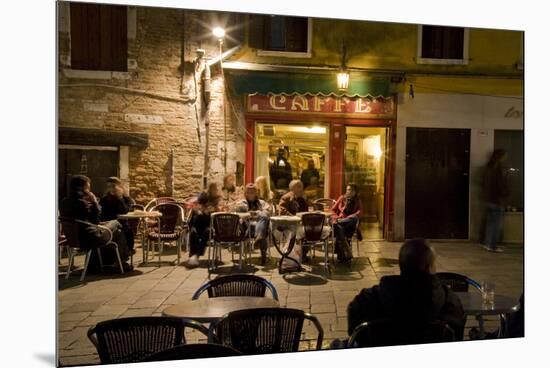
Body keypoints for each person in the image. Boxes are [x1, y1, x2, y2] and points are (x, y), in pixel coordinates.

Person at [347, 239, 466, 341]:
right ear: (429, 268)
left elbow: (354, 328)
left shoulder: (370, 298)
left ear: (401, 265)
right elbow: (456, 333)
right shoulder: (448, 301)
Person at [59, 175, 132, 272]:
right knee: (116, 224)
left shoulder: (64, 202)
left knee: (118, 231)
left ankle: (101, 263)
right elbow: (95, 221)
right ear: (83, 188)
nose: (89, 189)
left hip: (75, 238)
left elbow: (87, 221)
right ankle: (122, 262)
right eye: (88, 187)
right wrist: (94, 202)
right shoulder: (82, 203)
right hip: (90, 238)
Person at [186, 182, 224, 267]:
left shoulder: (218, 199)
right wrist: (202, 210)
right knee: (193, 232)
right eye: (213, 188)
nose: (215, 190)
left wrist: (215, 209)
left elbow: (221, 209)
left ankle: (196, 255)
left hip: (212, 223)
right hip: (201, 221)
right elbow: (196, 206)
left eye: (216, 189)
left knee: (207, 232)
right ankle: (193, 255)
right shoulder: (204, 195)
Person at [234, 183, 273, 264]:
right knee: (263, 219)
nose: (250, 194)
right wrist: (257, 213)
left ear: (256, 193)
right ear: (245, 193)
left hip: (260, 226)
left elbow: (268, 211)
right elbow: (239, 214)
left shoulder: (262, 203)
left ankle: (259, 238)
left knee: (264, 216)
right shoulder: (241, 203)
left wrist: (256, 214)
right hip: (247, 228)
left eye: (252, 192)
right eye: (248, 192)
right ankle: (259, 239)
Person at [99, 177, 136, 254]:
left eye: (113, 186)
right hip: (108, 225)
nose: (111, 189)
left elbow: (126, 211)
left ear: (120, 187)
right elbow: (102, 213)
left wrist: (120, 198)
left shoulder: (126, 199)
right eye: (109, 186)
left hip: (123, 223)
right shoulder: (104, 199)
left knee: (128, 231)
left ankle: (127, 252)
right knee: (122, 231)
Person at [482, 149, 509, 253]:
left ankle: (487, 244)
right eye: (504, 156)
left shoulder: (488, 168)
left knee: (490, 224)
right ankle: (493, 246)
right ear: (500, 157)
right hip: (496, 201)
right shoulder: (498, 169)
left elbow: (485, 184)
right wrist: (505, 196)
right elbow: (501, 186)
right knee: (496, 225)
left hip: (488, 200)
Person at [332, 184, 363, 263]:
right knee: (340, 227)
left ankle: (343, 254)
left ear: (355, 192)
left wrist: (349, 217)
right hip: (341, 223)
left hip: (350, 223)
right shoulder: (342, 198)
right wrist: (336, 217)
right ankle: (345, 253)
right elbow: (332, 210)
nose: (348, 192)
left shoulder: (357, 200)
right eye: (347, 189)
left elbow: (359, 213)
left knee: (353, 218)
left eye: (350, 190)